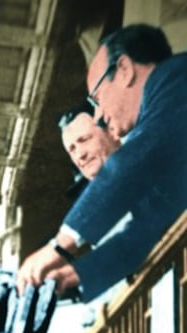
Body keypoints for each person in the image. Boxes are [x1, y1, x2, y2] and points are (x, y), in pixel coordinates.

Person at [16, 24, 187, 301]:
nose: (98, 115)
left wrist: (58, 247)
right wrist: (74, 276)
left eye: (96, 97)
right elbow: (146, 229)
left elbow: (130, 163)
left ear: (124, 70)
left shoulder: (177, 78)